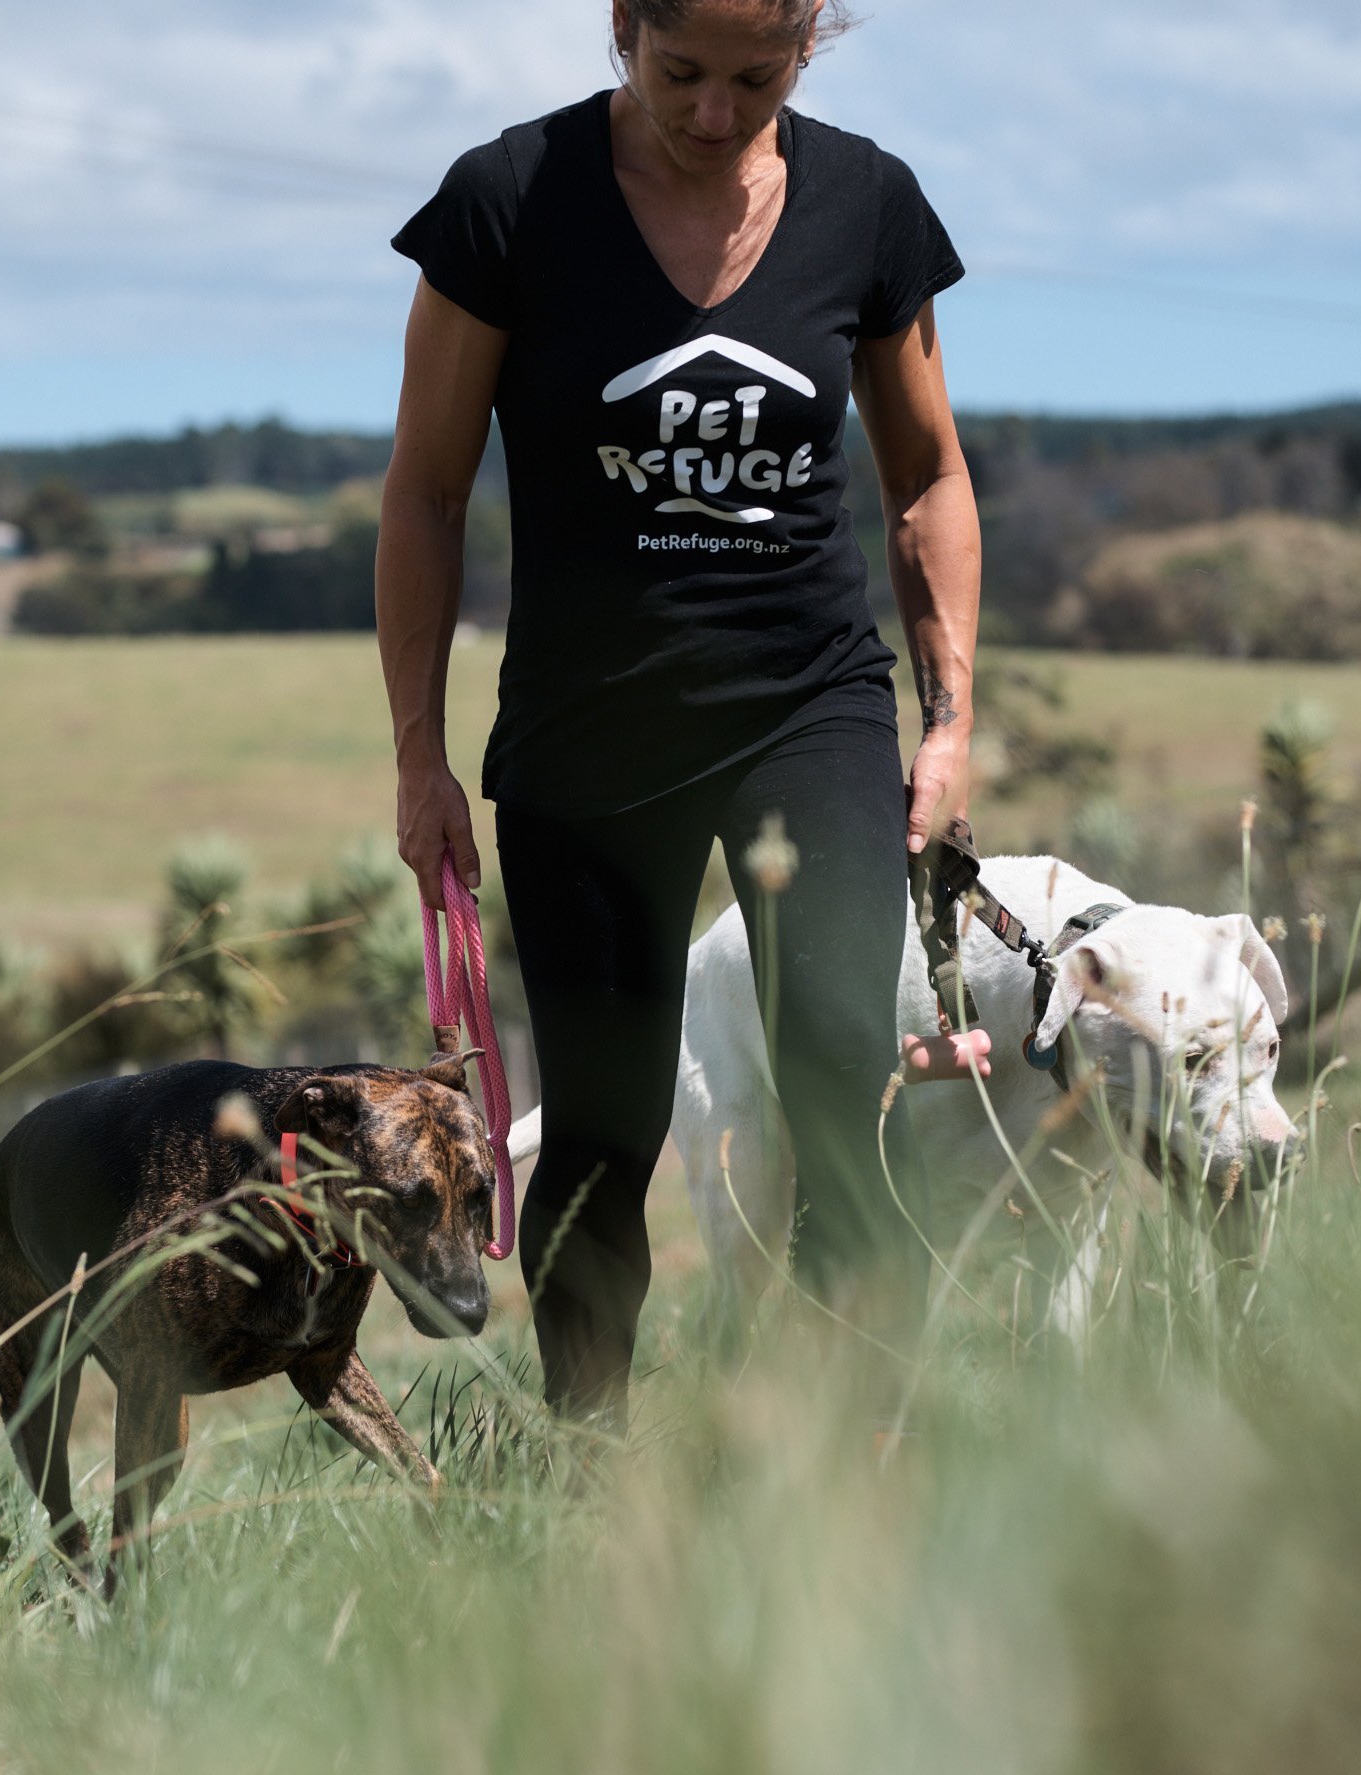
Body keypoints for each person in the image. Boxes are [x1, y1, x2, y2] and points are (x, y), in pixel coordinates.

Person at [375, 0, 980, 1419]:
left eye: (756, 80)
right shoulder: (509, 201)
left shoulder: (869, 206)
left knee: (848, 1074)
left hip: (810, 712)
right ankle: (595, 1473)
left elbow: (929, 476)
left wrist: (947, 718)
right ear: (623, 32)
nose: (715, 114)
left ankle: (856, 1446)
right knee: (601, 1132)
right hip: (590, 743)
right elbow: (424, 491)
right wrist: (421, 760)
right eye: (680, 74)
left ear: (810, 49)